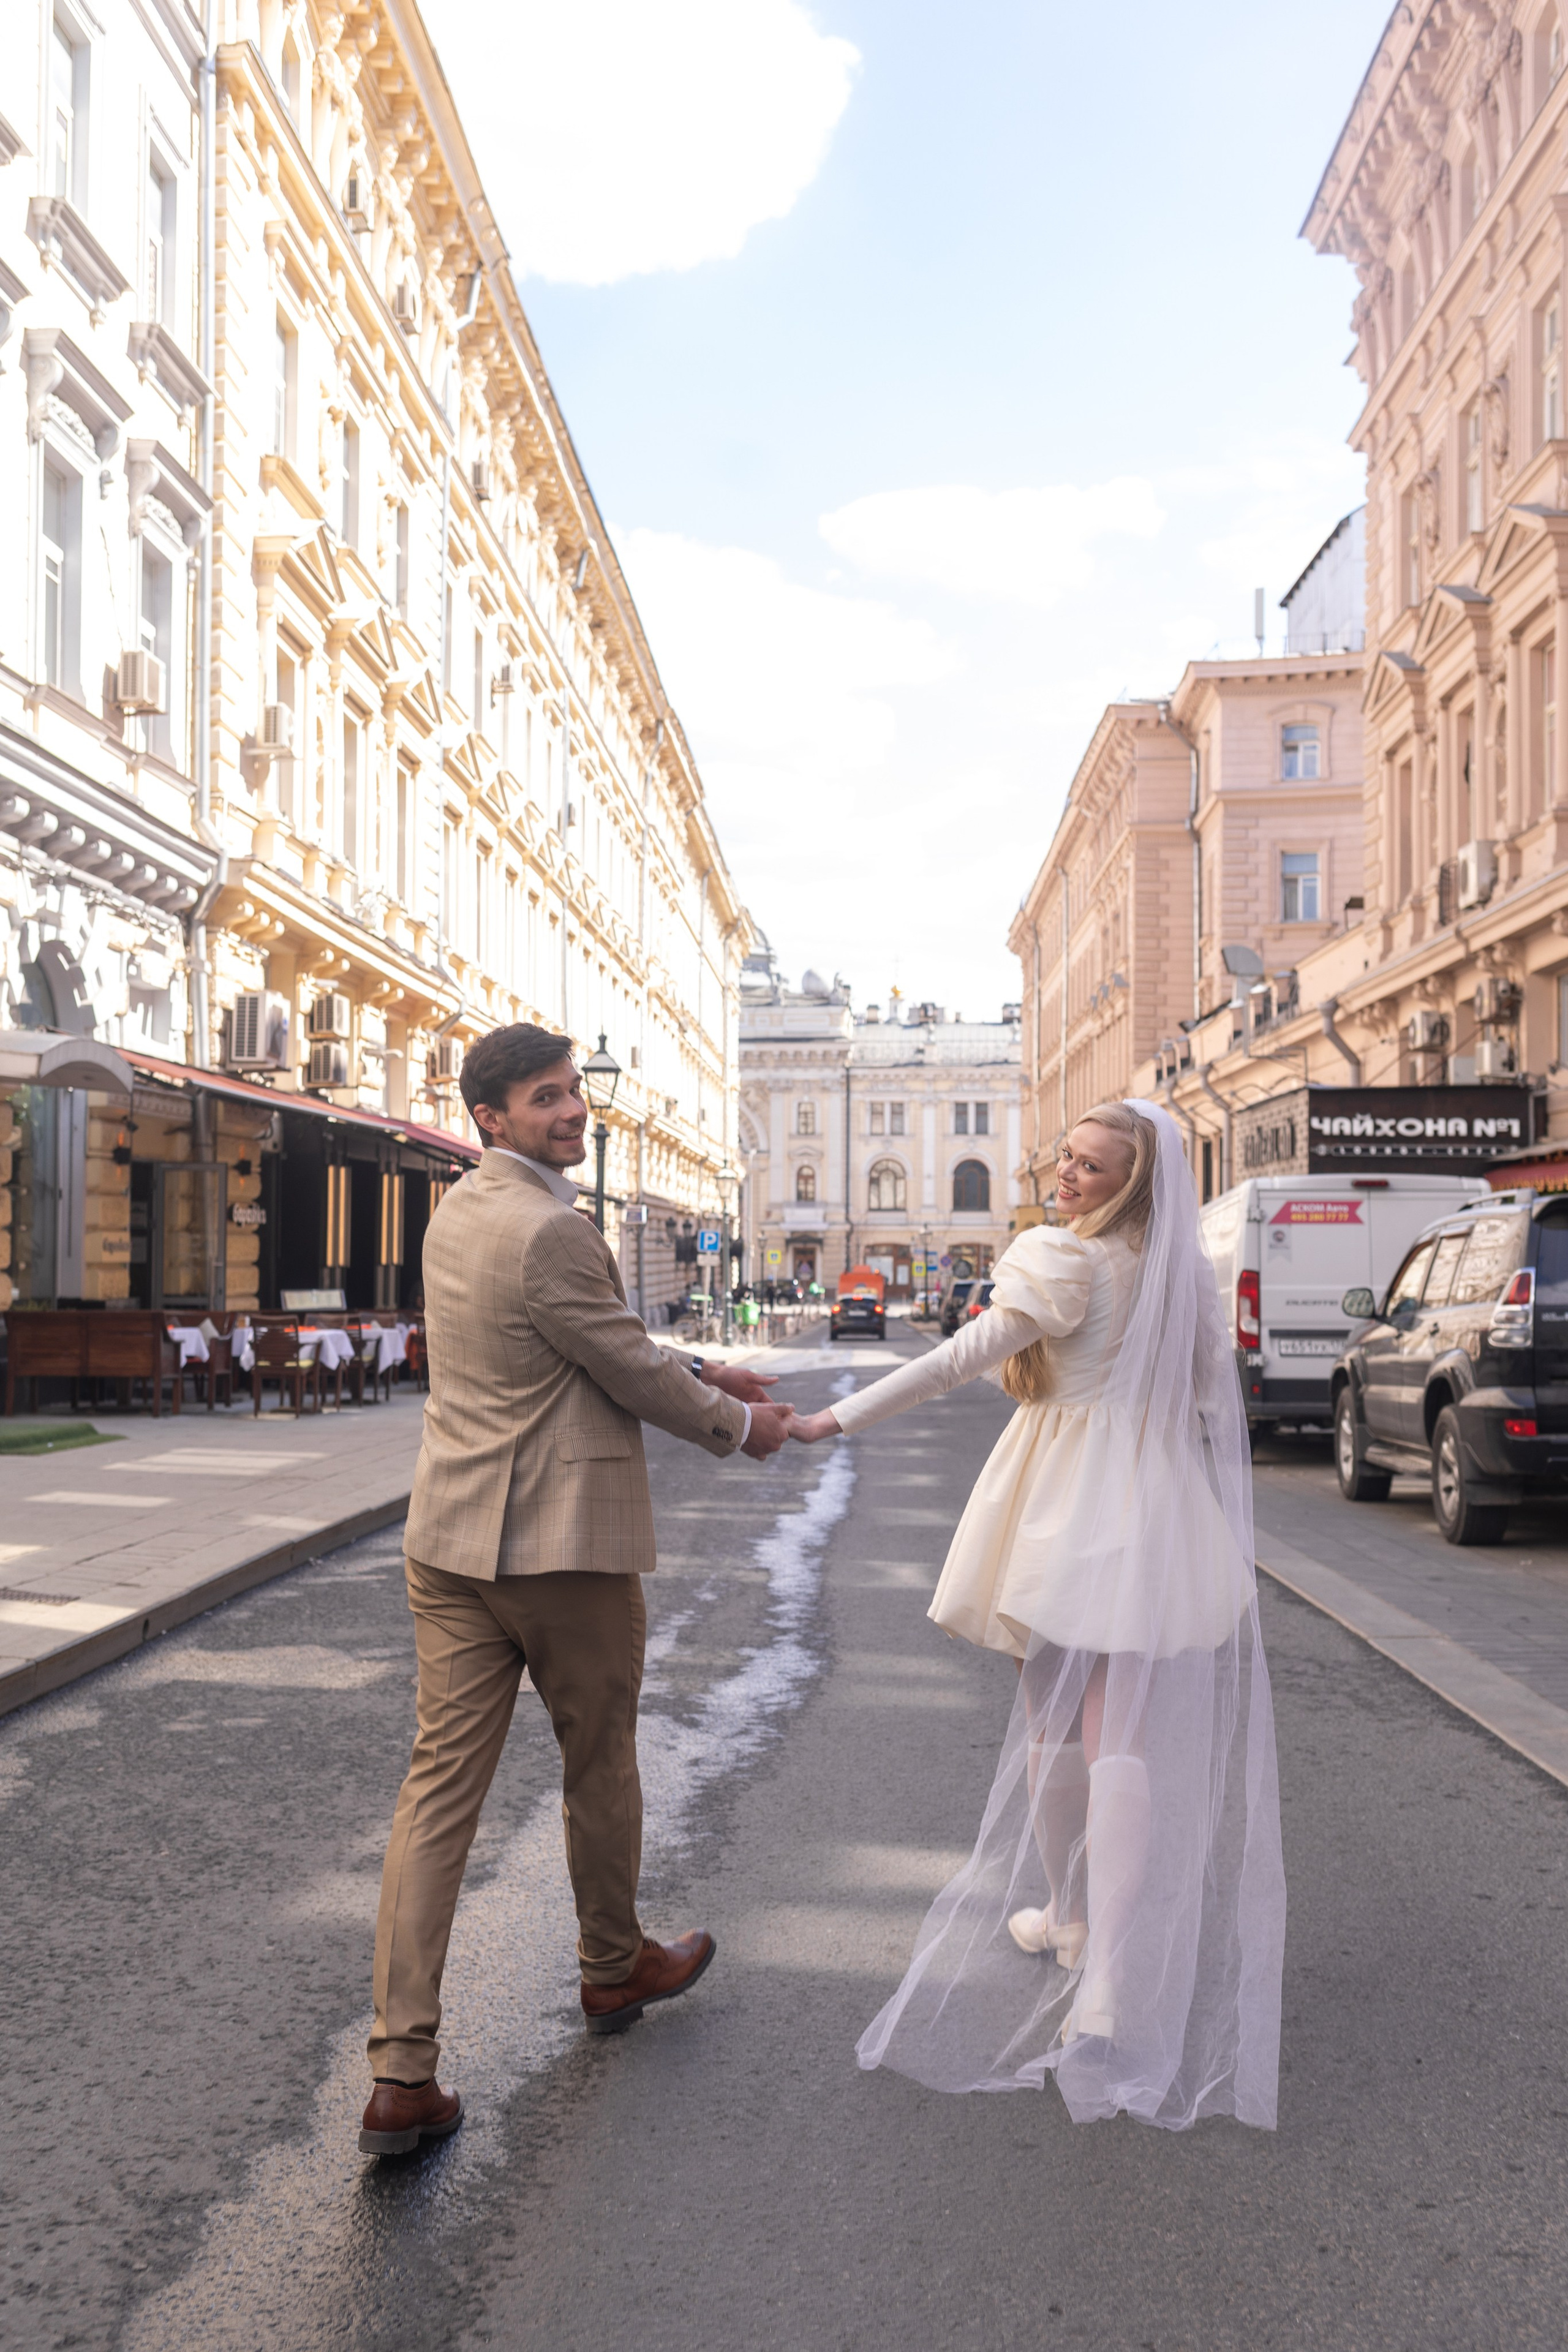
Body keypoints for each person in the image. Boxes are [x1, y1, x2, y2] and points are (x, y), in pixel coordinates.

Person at [790, 1099, 1284, 2130]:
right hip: (1153, 1497)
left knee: (1055, 1719)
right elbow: (1205, 1401)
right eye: (1067, 1158)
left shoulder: (1067, 1260)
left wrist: (830, 1417)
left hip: (1062, 1498)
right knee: (1120, 1731)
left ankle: (1068, 1917)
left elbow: (963, 1359)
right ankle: (1103, 1960)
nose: (1067, 1177)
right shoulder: (1181, 1275)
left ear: (1131, 1184)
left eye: (1092, 1169)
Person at [360, 1024, 794, 2157]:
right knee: (597, 1759)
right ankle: (613, 1966)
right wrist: (739, 1424)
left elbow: (567, 1340)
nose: (572, 1112)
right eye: (545, 1099)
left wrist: (701, 1365)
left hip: (450, 1538)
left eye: (572, 1095)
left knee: (436, 1797)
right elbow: (618, 1363)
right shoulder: (555, 1228)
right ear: (491, 1118)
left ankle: (402, 2072)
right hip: (559, 1551)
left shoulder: (459, 1210)